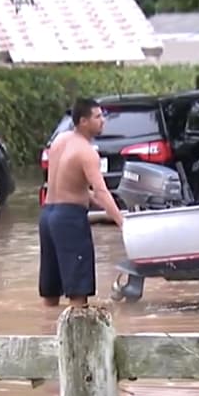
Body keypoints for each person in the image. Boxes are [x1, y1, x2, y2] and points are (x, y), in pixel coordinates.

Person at [38, 98, 124, 308]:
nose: (103, 121)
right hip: (69, 220)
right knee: (78, 295)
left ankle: (46, 331)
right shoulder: (87, 153)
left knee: (51, 292)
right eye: (98, 117)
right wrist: (123, 222)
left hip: (48, 216)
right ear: (83, 121)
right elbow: (101, 192)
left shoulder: (60, 140)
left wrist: (107, 210)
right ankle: (76, 337)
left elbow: (77, 187)